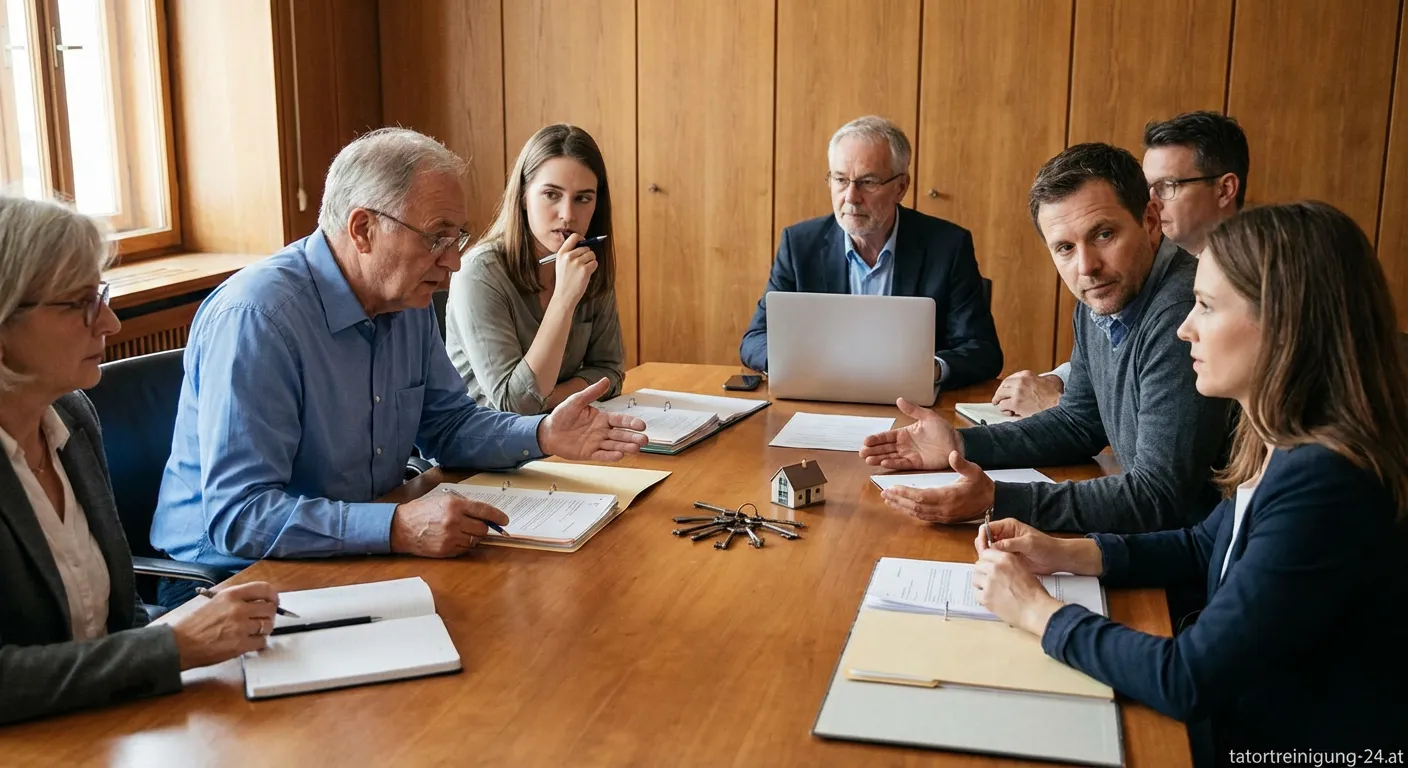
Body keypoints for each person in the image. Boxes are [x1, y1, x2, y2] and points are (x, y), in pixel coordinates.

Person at [969, 201, 1408, 753]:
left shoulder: (1327, 480)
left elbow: (1189, 678)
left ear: (1284, 320)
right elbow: (1207, 545)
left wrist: (1037, 609)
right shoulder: (1280, 435)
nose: (1184, 328)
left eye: (1204, 305)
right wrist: (1066, 553)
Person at [151, 128, 647, 606]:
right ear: (363, 229)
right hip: (232, 578)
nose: (453, 262)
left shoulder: (405, 299)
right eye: (437, 238)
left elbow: (448, 425)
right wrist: (396, 525)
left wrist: (541, 435)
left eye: (458, 237)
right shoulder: (259, 319)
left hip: (358, 547)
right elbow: (240, 516)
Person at [0, 196, 282, 723]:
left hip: (110, 719)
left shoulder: (70, 415)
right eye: (81, 303)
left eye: (100, 295)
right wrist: (172, 648)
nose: (109, 322)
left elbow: (119, 616)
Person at [861, 143, 1233, 533]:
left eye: (1104, 234)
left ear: (1151, 220)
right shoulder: (1102, 296)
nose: (1086, 266)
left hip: (1185, 565)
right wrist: (959, 445)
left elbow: (1160, 497)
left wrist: (998, 500)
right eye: (1065, 248)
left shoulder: (1182, 314)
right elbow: (1078, 423)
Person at [997, 111, 1250, 417]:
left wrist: (1061, 405)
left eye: (1166, 186)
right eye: (1147, 187)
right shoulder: (1120, 277)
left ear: (1224, 189)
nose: (1151, 200)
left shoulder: (1228, 288)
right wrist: (1063, 381)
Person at [738, 115, 1002, 389]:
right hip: (820, 399)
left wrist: (929, 370)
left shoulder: (948, 246)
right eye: (840, 179)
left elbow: (982, 350)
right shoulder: (800, 244)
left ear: (901, 187)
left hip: (910, 408)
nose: (851, 197)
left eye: (868, 182)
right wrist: (797, 364)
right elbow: (755, 338)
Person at [445, 124, 624, 414]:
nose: (567, 214)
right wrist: (564, 299)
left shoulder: (586, 262)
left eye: (583, 198)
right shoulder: (479, 274)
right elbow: (514, 405)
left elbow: (610, 373)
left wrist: (544, 400)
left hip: (559, 437)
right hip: (489, 447)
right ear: (524, 197)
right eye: (552, 194)